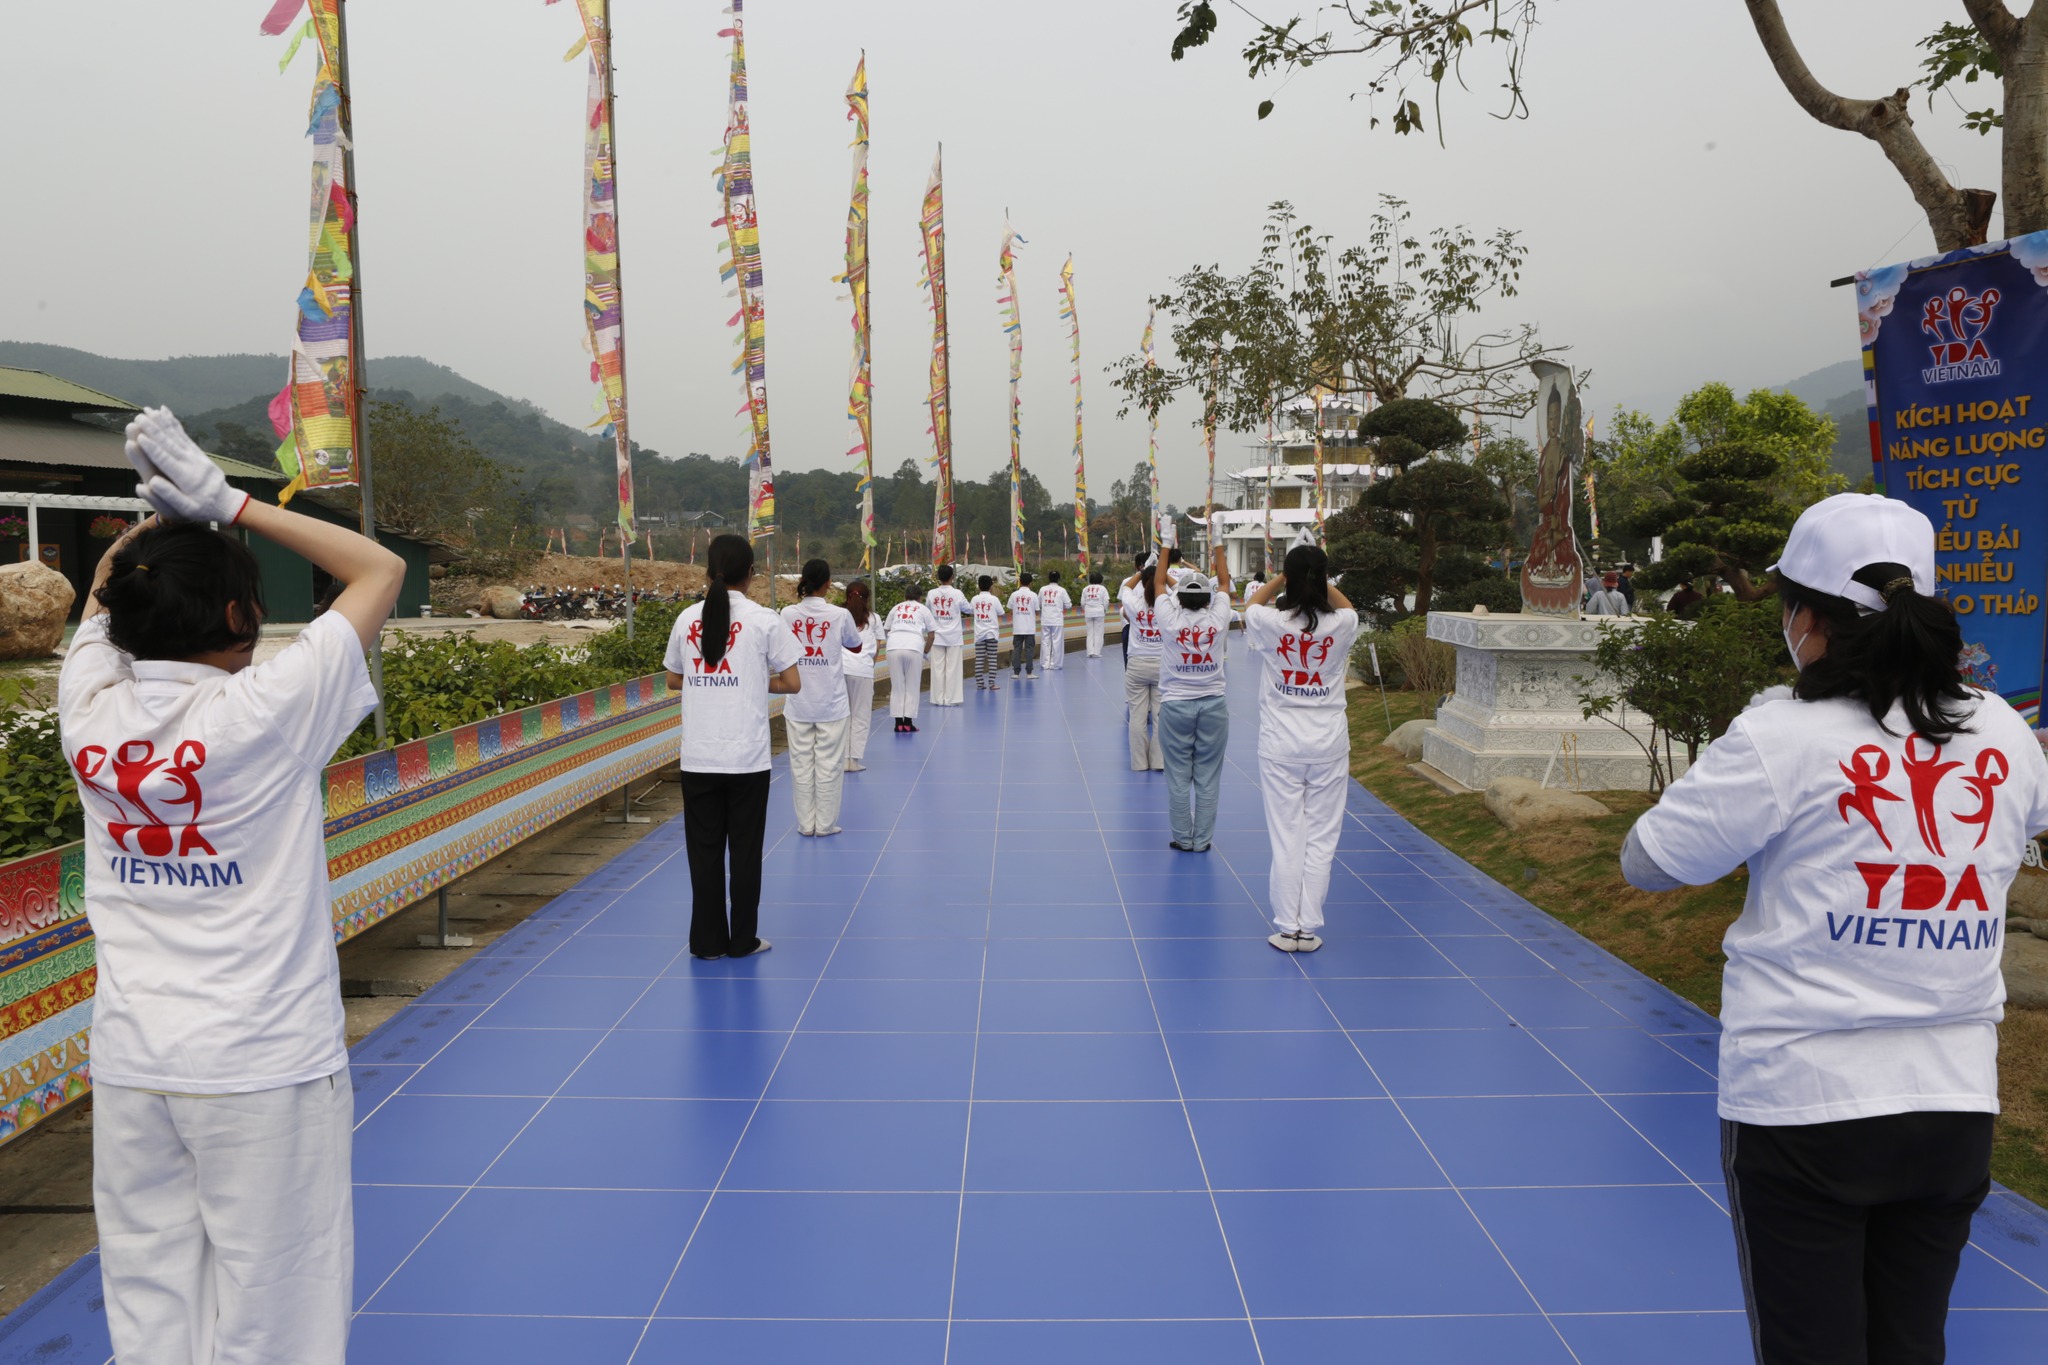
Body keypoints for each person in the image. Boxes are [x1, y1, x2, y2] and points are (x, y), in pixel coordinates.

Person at [1620, 493, 2048, 1364]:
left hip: (1804, 1106)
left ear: (1806, 619)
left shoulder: (1783, 733)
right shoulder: (2003, 729)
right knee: (1910, 1345)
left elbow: (1649, 858)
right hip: (1953, 1103)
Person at [60, 407, 406, 1364]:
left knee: (152, 1301)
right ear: (238, 618)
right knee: (276, 1309)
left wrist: (155, 535)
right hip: (261, 1063)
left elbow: (103, 601)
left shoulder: (89, 711)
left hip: (134, 1060)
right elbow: (378, 570)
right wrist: (230, 504)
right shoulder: (265, 712)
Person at [664, 533, 802, 960]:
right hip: (746, 758)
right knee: (745, 853)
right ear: (751, 573)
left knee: (703, 853)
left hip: (699, 756)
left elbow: (673, 679)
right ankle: (743, 940)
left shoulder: (687, 619)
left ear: (709, 572)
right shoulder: (765, 620)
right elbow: (792, 682)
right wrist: (755, 681)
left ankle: (707, 943)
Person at [1244, 543, 1360, 952]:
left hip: (1281, 746)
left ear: (1289, 580)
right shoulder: (1342, 625)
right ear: (1324, 579)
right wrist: (1317, 578)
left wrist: (1282, 576)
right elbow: (1349, 609)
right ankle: (1309, 928)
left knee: (1287, 837)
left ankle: (1287, 928)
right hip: (1328, 744)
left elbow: (1250, 606)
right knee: (1322, 839)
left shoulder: (1272, 622)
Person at [1153, 545, 1233, 851]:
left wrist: (1165, 546)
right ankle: (1202, 840)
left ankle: (1183, 838)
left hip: (1175, 706)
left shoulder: (1169, 620)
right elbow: (1224, 582)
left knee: (1177, 776)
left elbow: (1158, 582)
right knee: (1208, 776)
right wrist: (1218, 545)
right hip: (1214, 704)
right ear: (1208, 599)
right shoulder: (1218, 619)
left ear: (1180, 597)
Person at [780, 559, 863, 835]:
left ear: (803, 581)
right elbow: (856, 646)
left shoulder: (787, 614)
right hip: (831, 703)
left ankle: (806, 824)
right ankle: (825, 824)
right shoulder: (839, 615)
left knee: (801, 765)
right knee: (829, 765)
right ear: (828, 583)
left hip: (798, 704)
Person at [1118, 558, 1167, 771]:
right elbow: (1177, 588)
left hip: (1137, 663)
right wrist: (1162, 574)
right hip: (1162, 665)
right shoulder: (1168, 605)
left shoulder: (1134, 604)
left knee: (1137, 717)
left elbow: (1126, 588)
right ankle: (1158, 761)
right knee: (1160, 717)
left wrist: (1142, 572)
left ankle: (1139, 763)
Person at [841, 578, 880, 771]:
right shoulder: (874, 618)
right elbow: (877, 646)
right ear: (867, 598)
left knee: (841, 716)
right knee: (860, 716)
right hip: (863, 671)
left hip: (840, 670)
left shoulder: (839, 615)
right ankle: (853, 761)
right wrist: (869, 665)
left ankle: (841, 760)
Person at [885, 585, 936, 732]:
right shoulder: (923, 609)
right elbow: (932, 635)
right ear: (920, 598)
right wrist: (925, 651)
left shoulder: (896, 608)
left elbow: (886, 629)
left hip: (893, 646)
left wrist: (893, 640)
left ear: (905, 596)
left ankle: (898, 724)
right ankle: (908, 723)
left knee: (897, 686)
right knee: (912, 686)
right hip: (914, 646)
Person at [925, 564, 969, 706]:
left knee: (937, 668)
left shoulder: (931, 593)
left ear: (938, 577)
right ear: (952, 577)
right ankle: (951, 699)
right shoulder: (957, 593)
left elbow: (926, 610)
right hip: (954, 636)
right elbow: (968, 609)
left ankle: (937, 699)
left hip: (936, 636)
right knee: (953, 669)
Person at [970, 574, 1004, 690]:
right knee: (992, 658)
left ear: (979, 586)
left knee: (979, 659)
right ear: (991, 586)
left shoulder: (974, 599)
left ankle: (980, 684)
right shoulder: (994, 599)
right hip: (992, 634)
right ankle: (992, 683)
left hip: (979, 634)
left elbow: (971, 612)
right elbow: (1001, 613)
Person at [1008, 570, 1040, 679]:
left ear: (1020, 581)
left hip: (1018, 627)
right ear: (1031, 583)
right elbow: (1037, 611)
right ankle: (1029, 673)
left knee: (1017, 649)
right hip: (1029, 628)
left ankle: (1016, 673)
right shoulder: (1033, 595)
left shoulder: (1014, 595)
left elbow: (1010, 610)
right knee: (1029, 649)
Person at [1039, 568, 1073, 670]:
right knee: (1057, 642)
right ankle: (1055, 664)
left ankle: (1045, 664)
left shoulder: (1042, 589)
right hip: (1057, 620)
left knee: (1045, 641)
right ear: (1058, 579)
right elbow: (1068, 605)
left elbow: (1038, 603)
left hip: (1045, 619)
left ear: (1048, 578)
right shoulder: (1062, 590)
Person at [1080, 571, 1110, 657]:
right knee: (1098, 632)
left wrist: (1086, 609)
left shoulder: (1085, 589)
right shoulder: (1102, 588)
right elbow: (1106, 601)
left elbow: (1082, 603)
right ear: (1100, 580)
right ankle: (1097, 652)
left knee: (1089, 633)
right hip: (1099, 612)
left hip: (1088, 612)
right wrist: (1104, 609)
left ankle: (1090, 652)